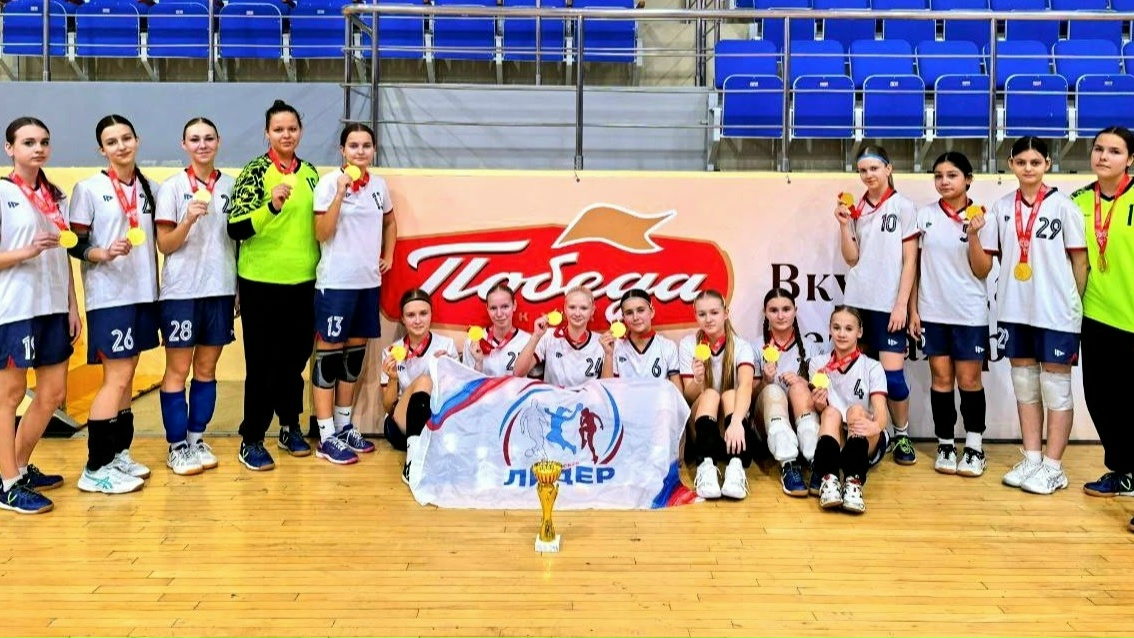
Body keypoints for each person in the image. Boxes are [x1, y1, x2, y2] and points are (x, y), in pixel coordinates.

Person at [69, 114, 161, 494]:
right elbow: (74, 243)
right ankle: (96, 466)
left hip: (144, 293)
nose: (121, 146)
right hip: (110, 297)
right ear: (101, 149)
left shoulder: (150, 187)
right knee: (116, 378)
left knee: (128, 376)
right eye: (112, 141)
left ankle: (119, 453)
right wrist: (102, 253)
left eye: (126, 138)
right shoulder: (88, 189)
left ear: (137, 140)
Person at [991, 136, 1088, 495]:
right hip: (1015, 310)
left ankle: (1054, 467)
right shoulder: (1001, 206)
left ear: (1047, 163)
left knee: (1056, 389)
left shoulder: (1064, 207)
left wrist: (1072, 305)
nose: (1028, 168)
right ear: (1011, 165)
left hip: (1056, 313)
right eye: (1021, 162)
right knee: (1025, 385)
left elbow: (1080, 262)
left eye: (1035, 162)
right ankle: (1032, 458)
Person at [227, 99, 321, 472]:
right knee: (263, 365)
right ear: (267, 133)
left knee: (294, 362)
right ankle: (251, 437)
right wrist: (271, 207)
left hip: (304, 282)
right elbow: (235, 228)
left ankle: (289, 426)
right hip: (261, 283)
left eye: (292, 128)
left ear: (301, 132)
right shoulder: (254, 172)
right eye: (278, 129)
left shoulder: (311, 173)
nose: (286, 134)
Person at [0, 117, 80, 514]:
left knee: (52, 394)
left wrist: (72, 305)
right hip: (15, 308)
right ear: (10, 149)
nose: (38, 148)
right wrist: (26, 252)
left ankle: (16, 467)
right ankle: (7, 484)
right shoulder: (3, 193)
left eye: (44, 142)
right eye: (28, 142)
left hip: (53, 307)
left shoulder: (55, 195)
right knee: (10, 396)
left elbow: (63, 254)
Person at [310, 123, 397, 465]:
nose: (360, 151)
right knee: (329, 358)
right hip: (336, 284)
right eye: (354, 145)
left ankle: (344, 425)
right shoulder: (329, 183)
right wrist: (339, 194)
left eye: (366, 145)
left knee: (354, 358)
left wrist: (388, 255)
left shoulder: (379, 186)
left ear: (373, 150)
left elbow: (390, 222)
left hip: (367, 284)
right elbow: (321, 232)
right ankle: (326, 434)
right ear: (342, 150)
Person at [154, 117, 236, 476]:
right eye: (195, 139)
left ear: (218, 142)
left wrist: (237, 289)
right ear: (184, 144)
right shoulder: (172, 188)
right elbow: (165, 244)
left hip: (220, 290)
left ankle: (196, 438)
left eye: (208, 138)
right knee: (177, 370)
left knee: (206, 369)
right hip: (181, 293)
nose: (202, 144)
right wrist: (187, 220)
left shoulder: (231, 186)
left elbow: (237, 243)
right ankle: (176, 446)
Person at [908, 152, 996, 478]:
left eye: (952, 175)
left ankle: (974, 446)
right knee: (941, 379)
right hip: (933, 312)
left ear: (968, 179)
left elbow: (983, 269)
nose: (944, 181)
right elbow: (915, 267)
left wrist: (972, 234)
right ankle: (945, 443)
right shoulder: (925, 216)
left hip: (969, 312)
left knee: (969, 380)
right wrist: (913, 309)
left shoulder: (982, 217)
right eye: (938, 175)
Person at [835, 145, 918, 465]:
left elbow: (911, 261)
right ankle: (868, 434)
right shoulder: (855, 208)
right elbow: (851, 258)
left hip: (888, 304)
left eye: (874, 168)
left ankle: (902, 435)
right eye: (863, 170)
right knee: (861, 376)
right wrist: (843, 225)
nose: (868, 175)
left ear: (888, 168)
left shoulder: (904, 206)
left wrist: (901, 305)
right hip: (857, 303)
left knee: (892, 377)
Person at [1072, 127, 1134, 526]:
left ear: (1130, 159)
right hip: (1095, 316)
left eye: (1114, 151)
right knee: (1102, 400)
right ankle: (1123, 471)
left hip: (1132, 317)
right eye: (1098, 149)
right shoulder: (1077, 201)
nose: (1104, 156)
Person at [809, 306, 891, 514]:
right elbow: (821, 410)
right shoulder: (818, 364)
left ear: (859, 332)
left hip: (865, 436)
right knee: (830, 412)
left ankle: (853, 483)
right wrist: (819, 404)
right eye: (837, 328)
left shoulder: (872, 367)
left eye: (848, 328)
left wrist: (875, 426)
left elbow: (881, 412)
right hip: (836, 435)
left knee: (856, 410)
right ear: (830, 329)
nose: (842, 334)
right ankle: (829, 480)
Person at [678, 290, 756, 501]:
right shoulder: (688, 344)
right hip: (702, 428)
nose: (708, 319)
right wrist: (698, 380)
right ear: (695, 315)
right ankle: (706, 467)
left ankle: (735, 467)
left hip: (733, 429)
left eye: (714, 312)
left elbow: (746, 386)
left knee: (730, 394)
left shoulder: (741, 346)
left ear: (726, 313)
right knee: (711, 394)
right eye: (702, 314)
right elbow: (688, 397)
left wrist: (737, 421)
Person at [380, 289, 458, 484]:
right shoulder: (392, 351)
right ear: (402, 319)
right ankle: (412, 461)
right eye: (410, 315)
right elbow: (388, 407)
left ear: (431, 314)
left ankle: (423, 454)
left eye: (423, 313)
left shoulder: (446, 347)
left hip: (433, 423)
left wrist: (446, 370)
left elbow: (455, 397)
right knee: (423, 381)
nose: (417, 320)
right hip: (400, 427)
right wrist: (393, 379)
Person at [753, 288, 823, 497]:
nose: (781, 315)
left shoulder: (811, 348)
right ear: (765, 313)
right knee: (772, 389)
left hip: (801, 417)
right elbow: (749, 399)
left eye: (786, 309)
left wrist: (803, 381)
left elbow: (823, 395)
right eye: (774, 310)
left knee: (800, 387)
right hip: (766, 424)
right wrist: (765, 380)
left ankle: (816, 462)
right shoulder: (755, 347)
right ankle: (789, 465)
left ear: (795, 311)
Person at [513, 286, 605, 389]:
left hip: (588, 399)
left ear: (592, 310)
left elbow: (608, 386)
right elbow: (518, 373)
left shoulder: (601, 342)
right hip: (553, 398)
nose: (577, 313)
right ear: (565, 308)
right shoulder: (548, 336)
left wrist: (609, 353)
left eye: (583, 308)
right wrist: (536, 336)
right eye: (572, 307)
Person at [599, 289, 680, 392]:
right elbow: (606, 391)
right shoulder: (615, 347)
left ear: (652, 312)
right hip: (625, 401)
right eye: (629, 313)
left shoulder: (667, 346)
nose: (635, 317)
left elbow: (677, 394)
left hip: (659, 401)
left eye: (640, 310)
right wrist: (608, 354)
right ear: (623, 318)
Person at [462, 283, 532, 377]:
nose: (499, 314)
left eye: (505, 307)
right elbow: (467, 381)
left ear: (514, 305)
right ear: (487, 308)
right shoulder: (473, 342)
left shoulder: (528, 341)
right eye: (493, 308)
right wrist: (478, 363)